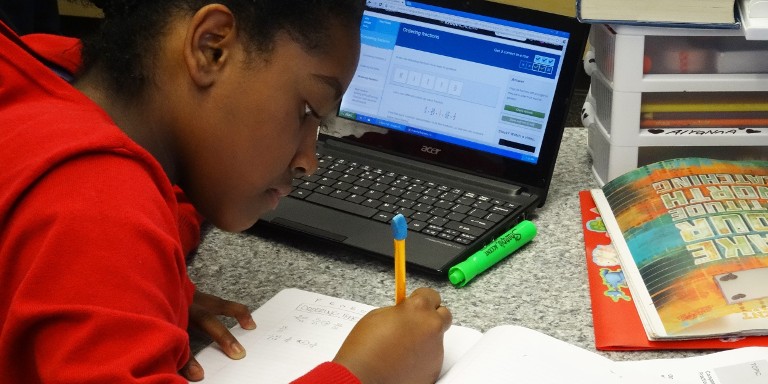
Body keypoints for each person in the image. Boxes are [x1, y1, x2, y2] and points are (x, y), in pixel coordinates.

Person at [0, 0, 452, 383]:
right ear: (212, 47)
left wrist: (144, 283)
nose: (308, 161)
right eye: (308, 110)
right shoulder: (96, 202)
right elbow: (93, 220)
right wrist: (363, 374)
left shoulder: (53, 71)